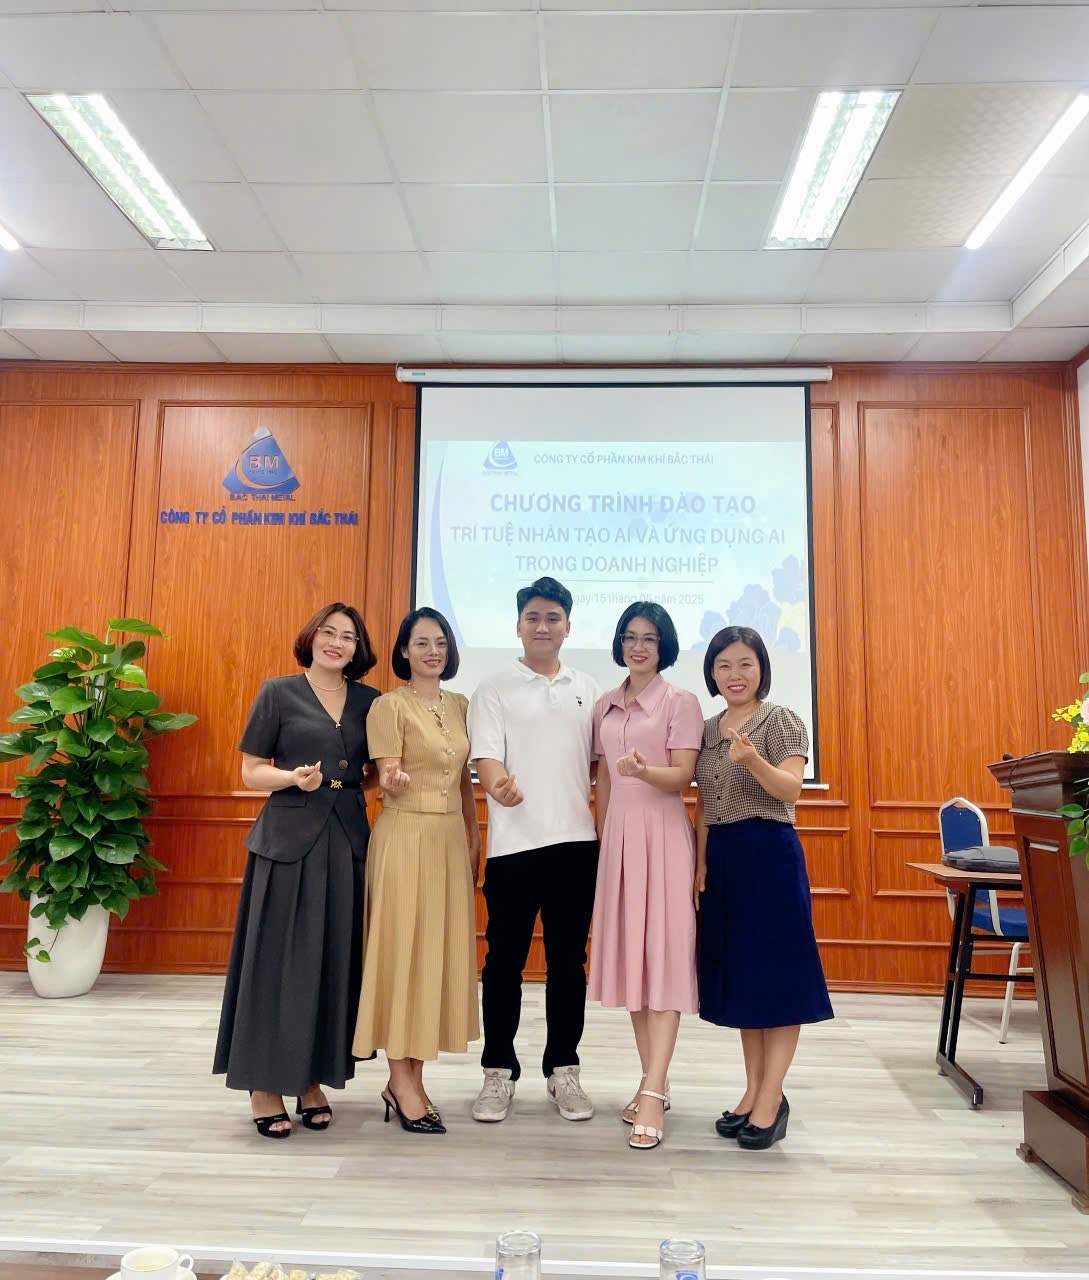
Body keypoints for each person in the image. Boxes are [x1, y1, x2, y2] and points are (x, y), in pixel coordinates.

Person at [213, 602, 380, 1138]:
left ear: (358, 649)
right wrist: (291, 778)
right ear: (310, 638)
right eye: (328, 632)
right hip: (287, 841)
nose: (337, 642)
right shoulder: (278, 692)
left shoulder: (370, 701)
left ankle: (310, 1077)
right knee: (276, 962)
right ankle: (264, 1084)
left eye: (348, 637)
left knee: (330, 961)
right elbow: (250, 771)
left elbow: (370, 772)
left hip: (347, 840)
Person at [693, 625, 833, 1151]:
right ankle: (752, 1090)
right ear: (712, 672)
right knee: (746, 981)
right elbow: (703, 803)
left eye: (745, 664)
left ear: (762, 669)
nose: (735, 674)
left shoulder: (782, 720)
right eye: (724, 665)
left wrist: (753, 759)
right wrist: (700, 863)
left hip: (770, 855)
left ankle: (773, 1096)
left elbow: (792, 789)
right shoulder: (706, 730)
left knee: (778, 980)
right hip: (724, 859)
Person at [467, 576, 600, 1123]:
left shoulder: (588, 688)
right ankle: (498, 1071)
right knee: (504, 963)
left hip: (576, 845)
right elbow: (486, 757)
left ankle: (563, 1069)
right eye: (533, 617)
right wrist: (497, 784)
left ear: (568, 626)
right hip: (514, 847)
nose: (542, 626)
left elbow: (597, 765)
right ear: (518, 625)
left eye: (553, 617)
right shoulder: (494, 688)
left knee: (569, 963)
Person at [352, 607, 480, 1134]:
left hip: (449, 840)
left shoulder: (461, 705)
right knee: (401, 954)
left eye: (441, 642)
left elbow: (465, 781)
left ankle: (412, 1079)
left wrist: (474, 836)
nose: (433, 651)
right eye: (422, 642)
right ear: (403, 650)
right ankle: (400, 1081)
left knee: (432, 958)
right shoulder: (388, 705)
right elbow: (386, 771)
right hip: (405, 836)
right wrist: (393, 777)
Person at [589, 602, 703, 1151]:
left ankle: (654, 1091)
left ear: (664, 647)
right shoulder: (605, 704)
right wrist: (602, 841)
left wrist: (643, 770)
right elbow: (604, 783)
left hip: (663, 836)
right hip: (619, 839)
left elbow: (682, 776)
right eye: (630, 637)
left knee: (665, 961)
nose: (638, 647)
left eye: (650, 639)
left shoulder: (681, 701)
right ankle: (652, 1079)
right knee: (636, 965)